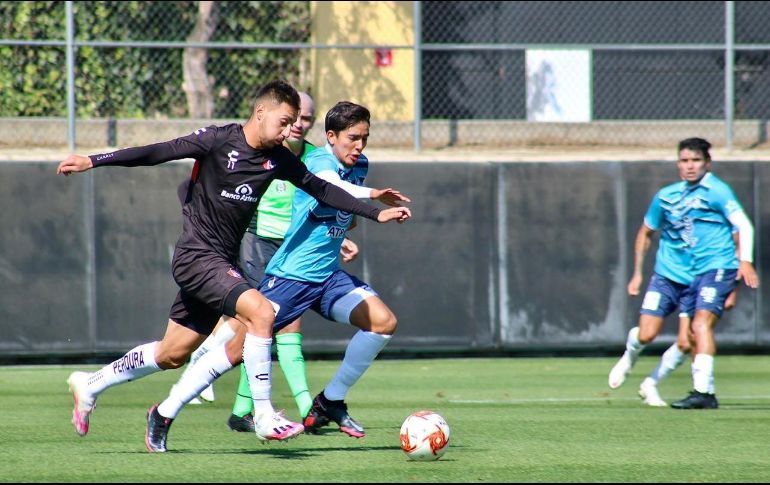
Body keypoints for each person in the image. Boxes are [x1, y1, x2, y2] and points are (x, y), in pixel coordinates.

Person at [59, 80, 411, 453]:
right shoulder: (216, 140)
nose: (290, 129)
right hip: (196, 256)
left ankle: (91, 383)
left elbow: (322, 191)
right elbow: (158, 151)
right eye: (285, 120)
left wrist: (376, 213)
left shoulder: (278, 157)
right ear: (261, 112)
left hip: (221, 261)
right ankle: (263, 415)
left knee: (172, 354)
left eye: (294, 122)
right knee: (259, 313)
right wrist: (93, 160)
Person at [156, 101, 405, 445]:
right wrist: (375, 199)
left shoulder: (360, 164)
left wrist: (343, 235)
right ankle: (165, 411)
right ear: (331, 137)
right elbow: (336, 190)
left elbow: (341, 212)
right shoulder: (318, 161)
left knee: (383, 322)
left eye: (365, 138)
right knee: (235, 351)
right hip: (290, 276)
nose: (359, 146)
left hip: (327, 277)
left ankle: (329, 401)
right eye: (352, 138)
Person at [609, 137, 758, 409]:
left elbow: (742, 230)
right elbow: (646, 232)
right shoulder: (666, 196)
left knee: (692, 334)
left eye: (696, 161)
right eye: (685, 161)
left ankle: (696, 391)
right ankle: (632, 358)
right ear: (678, 163)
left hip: (706, 273)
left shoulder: (718, 192)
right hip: (668, 274)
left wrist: (742, 267)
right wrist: (637, 274)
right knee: (646, 334)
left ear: (707, 163)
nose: (690, 166)